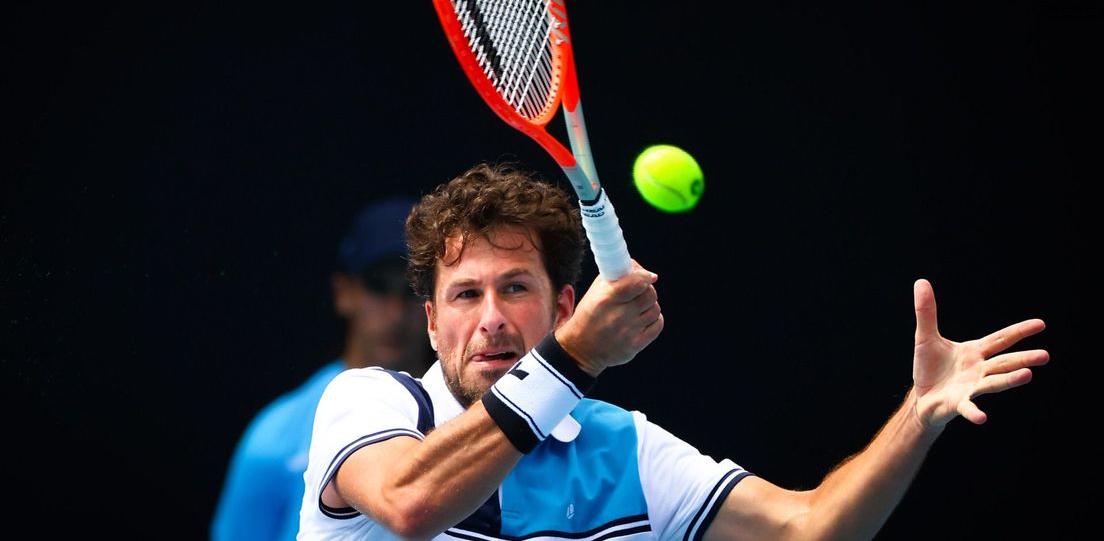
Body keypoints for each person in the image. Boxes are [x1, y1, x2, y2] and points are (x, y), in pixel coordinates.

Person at [297, 161, 1049, 540]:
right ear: (431, 323)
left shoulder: (620, 449)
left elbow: (812, 527)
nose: (491, 318)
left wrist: (917, 416)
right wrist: (573, 357)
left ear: (563, 306)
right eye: (466, 295)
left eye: (516, 289)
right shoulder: (369, 404)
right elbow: (410, 505)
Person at [212, 197, 434, 541]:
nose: (395, 312)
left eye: (413, 290)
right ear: (343, 292)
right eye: (378, 285)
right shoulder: (273, 437)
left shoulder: (474, 422)